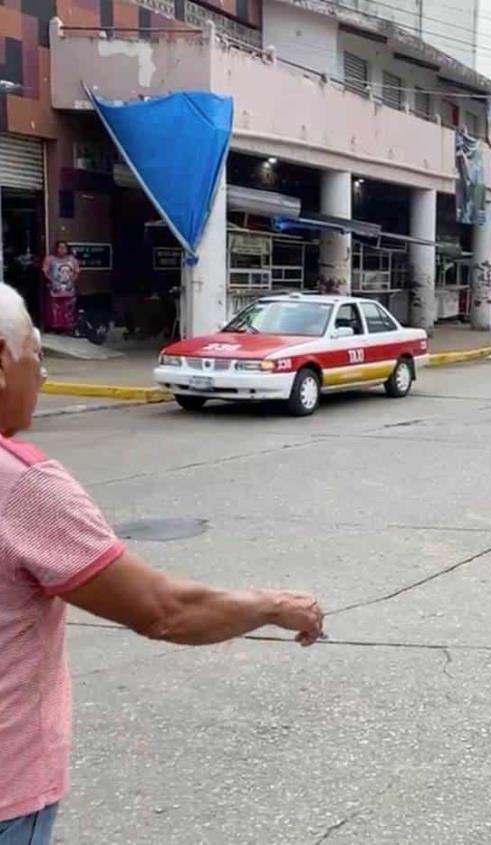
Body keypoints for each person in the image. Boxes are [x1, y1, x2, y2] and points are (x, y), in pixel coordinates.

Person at [0, 283, 324, 843]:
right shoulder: (23, 487)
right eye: (36, 353)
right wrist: (274, 606)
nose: (44, 375)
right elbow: (163, 611)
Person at [40, 241, 80, 335]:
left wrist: (71, 281)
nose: (61, 250)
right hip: (55, 288)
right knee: (54, 308)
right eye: (59, 247)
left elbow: (76, 272)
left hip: (68, 289)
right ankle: (54, 327)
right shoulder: (50, 259)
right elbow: (45, 271)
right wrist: (52, 281)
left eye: (64, 248)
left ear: (67, 249)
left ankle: (66, 328)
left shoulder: (72, 259)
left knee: (67, 308)